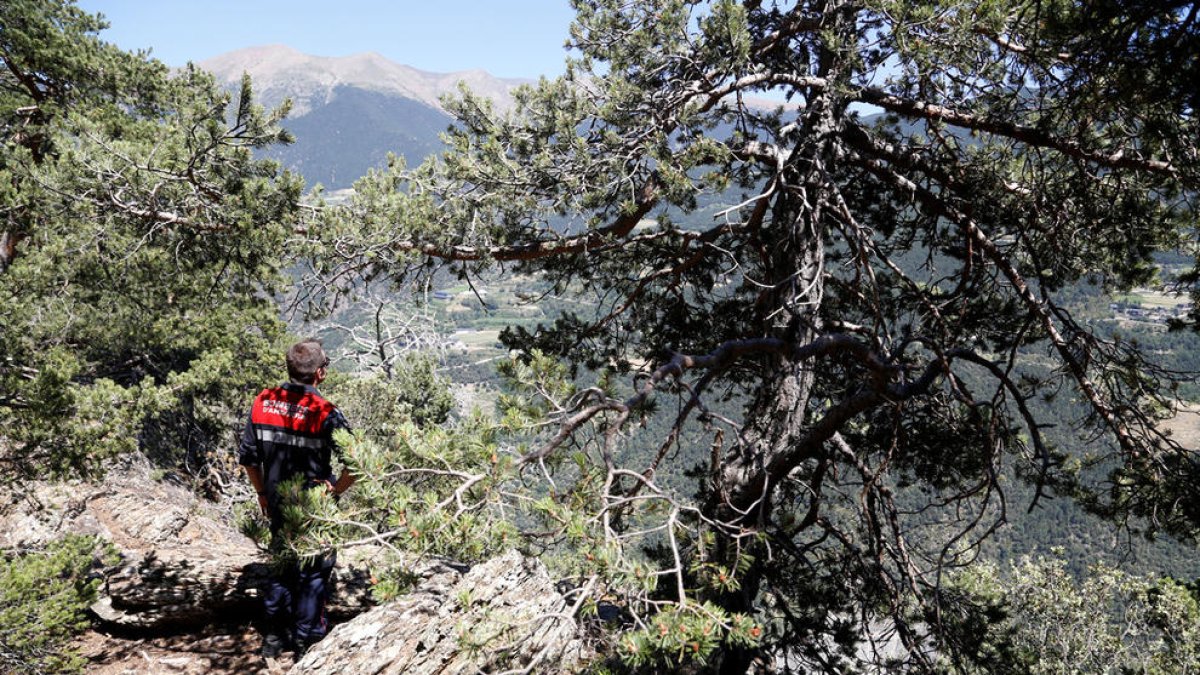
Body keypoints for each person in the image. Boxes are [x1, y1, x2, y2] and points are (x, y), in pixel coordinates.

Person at [239, 340, 355, 658]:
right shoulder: (326, 413)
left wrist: (262, 493)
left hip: (277, 500)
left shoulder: (263, 402)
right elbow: (357, 464)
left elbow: (249, 458)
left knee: (282, 565)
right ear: (320, 373)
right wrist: (336, 491)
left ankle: (274, 638)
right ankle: (307, 641)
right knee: (315, 571)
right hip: (315, 507)